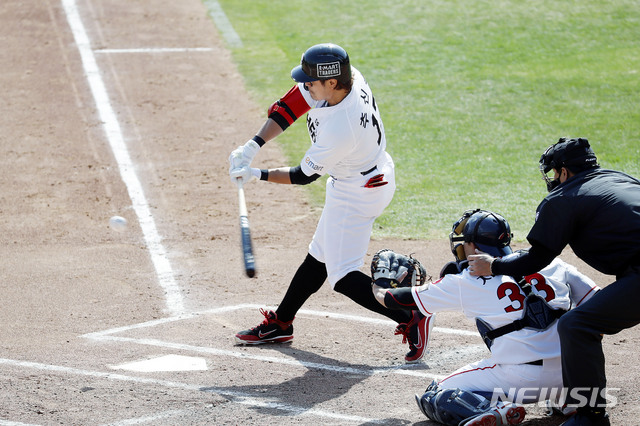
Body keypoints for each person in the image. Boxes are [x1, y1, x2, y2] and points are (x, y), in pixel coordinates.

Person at [227, 43, 430, 362]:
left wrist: (256, 173)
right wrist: (252, 145)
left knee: (342, 274)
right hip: (361, 177)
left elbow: (303, 176)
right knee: (319, 254)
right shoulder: (346, 81)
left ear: (331, 82)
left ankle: (409, 316)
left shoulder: (340, 127)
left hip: (359, 191)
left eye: (311, 81)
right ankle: (281, 323)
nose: (305, 85)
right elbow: (291, 103)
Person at [371, 209, 601, 426]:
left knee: (436, 394)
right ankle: (570, 402)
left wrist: (380, 283)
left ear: (472, 244)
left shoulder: (466, 282)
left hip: (520, 380)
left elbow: (393, 299)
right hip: (575, 374)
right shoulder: (551, 263)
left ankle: (492, 411)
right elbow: (599, 302)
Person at [468, 137, 640, 426]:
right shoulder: (621, 179)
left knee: (578, 323)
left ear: (563, 172)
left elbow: (536, 260)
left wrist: (494, 265)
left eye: (553, 172)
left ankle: (590, 416)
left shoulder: (563, 199)